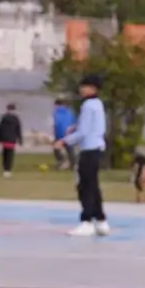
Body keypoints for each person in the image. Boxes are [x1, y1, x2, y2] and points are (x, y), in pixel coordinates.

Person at [56, 75, 108, 236]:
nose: (81, 89)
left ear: (92, 88)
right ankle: (101, 220)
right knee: (93, 185)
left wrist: (64, 141)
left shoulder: (87, 105)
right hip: (97, 147)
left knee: (85, 186)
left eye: (84, 86)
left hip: (89, 149)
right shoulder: (98, 104)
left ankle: (87, 221)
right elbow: (90, 127)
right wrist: (75, 128)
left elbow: (83, 132)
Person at [0, 104, 24, 177]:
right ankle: (8, 170)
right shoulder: (16, 119)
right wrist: (20, 139)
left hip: (4, 139)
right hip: (12, 139)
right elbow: (18, 130)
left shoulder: (4, 118)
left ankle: (4, 168)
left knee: (4, 154)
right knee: (10, 155)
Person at [52, 96, 77, 171]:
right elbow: (74, 122)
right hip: (70, 134)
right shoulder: (70, 112)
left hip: (60, 134)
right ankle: (73, 164)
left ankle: (62, 162)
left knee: (56, 149)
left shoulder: (56, 113)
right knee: (70, 149)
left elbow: (57, 124)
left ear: (56, 105)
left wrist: (56, 135)